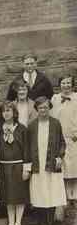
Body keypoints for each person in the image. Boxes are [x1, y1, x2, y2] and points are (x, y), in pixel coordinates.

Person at [27, 96, 66, 225]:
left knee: (52, 193)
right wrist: (28, 165)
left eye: (45, 107)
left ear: (49, 108)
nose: (43, 110)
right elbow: (27, 146)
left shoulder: (55, 123)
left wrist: (60, 156)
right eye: (40, 108)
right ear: (36, 109)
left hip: (52, 165)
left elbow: (62, 143)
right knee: (39, 194)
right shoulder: (32, 126)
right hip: (38, 165)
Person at [0, 101, 30, 225]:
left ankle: (18, 224)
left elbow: (27, 149)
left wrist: (26, 168)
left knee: (18, 196)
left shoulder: (22, 129)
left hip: (18, 166)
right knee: (8, 196)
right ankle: (10, 224)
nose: (6, 113)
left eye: (9, 110)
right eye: (4, 111)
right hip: (4, 166)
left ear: (14, 112)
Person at [51, 75, 77, 204]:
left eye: (68, 83)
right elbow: (52, 117)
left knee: (74, 167)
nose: (66, 85)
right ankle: (65, 196)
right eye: (63, 83)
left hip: (74, 138)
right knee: (63, 168)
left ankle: (75, 196)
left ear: (72, 85)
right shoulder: (55, 99)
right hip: (60, 139)